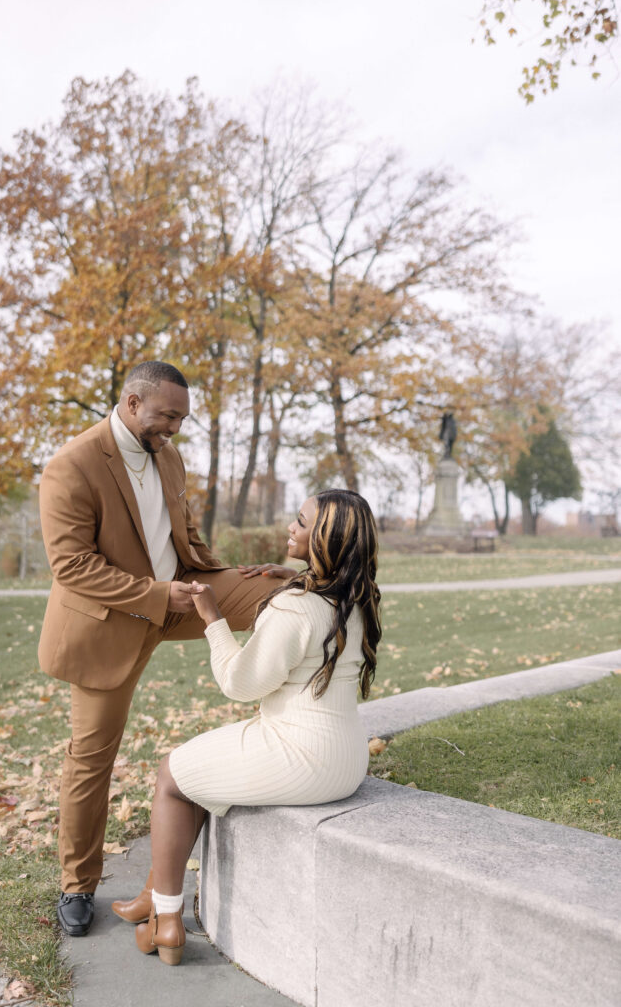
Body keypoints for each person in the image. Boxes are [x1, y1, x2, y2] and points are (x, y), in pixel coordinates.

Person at [38, 361, 279, 937]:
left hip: (181, 596)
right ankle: (77, 885)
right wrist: (155, 594)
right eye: (167, 416)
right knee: (91, 758)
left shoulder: (168, 455)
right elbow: (71, 567)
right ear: (130, 403)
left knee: (284, 591)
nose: (174, 429)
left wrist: (230, 574)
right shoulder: (70, 466)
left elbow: (183, 535)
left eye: (180, 418)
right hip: (109, 625)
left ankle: (296, 733)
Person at [111, 488, 382, 966]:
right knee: (201, 768)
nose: (291, 527)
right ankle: (153, 894)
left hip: (301, 758)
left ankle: (167, 920)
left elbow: (240, 684)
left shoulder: (295, 607)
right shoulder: (357, 596)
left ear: (324, 539)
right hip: (346, 759)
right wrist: (297, 578)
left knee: (172, 775)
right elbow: (312, 619)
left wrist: (213, 618)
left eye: (301, 523)